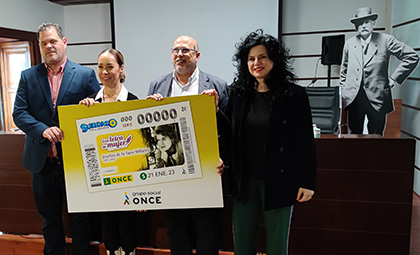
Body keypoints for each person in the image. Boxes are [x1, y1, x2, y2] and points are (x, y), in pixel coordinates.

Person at [210, 29, 316, 255]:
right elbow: (229, 133)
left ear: (274, 60)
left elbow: (305, 141)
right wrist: (217, 112)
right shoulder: (238, 93)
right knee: (243, 245)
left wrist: (307, 181)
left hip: (279, 180)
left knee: (277, 247)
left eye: (262, 57)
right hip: (244, 180)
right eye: (251, 58)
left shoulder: (294, 95)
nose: (256, 63)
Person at [12, 23, 100, 255]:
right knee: (49, 220)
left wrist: (91, 107)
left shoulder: (85, 74)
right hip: (42, 164)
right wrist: (41, 129)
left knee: (80, 219)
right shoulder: (28, 76)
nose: (48, 46)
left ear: (64, 42)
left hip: (75, 163)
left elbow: (99, 114)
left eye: (52, 41)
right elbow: (19, 113)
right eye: (43, 43)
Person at [147, 35, 227, 255]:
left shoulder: (217, 85)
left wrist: (217, 109)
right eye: (175, 50)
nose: (179, 55)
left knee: (206, 226)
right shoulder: (157, 85)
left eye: (185, 50)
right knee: (176, 225)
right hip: (171, 168)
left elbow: (229, 129)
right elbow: (151, 133)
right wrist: (149, 110)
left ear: (197, 56)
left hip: (205, 166)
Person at [79, 48, 138, 255]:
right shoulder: (90, 104)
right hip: (102, 177)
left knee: (128, 225)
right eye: (100, 67)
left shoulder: (134, 101)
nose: (104, 72)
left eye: (110, 66)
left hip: (129, 177)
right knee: (108, 224)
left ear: (121, 69)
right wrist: (81, 113)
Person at [340, 6, 419, 135]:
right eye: (360, 23)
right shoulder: (349, 43)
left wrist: (393, 79)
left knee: (376, 137)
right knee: (353, 137)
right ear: (355, 27)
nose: (363, 25)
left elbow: (412, 56)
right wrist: (344, 89)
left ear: (373, 23)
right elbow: (344, 69)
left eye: (367, 22)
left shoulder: (386, 40)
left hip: (377, 98)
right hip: (354, 99)